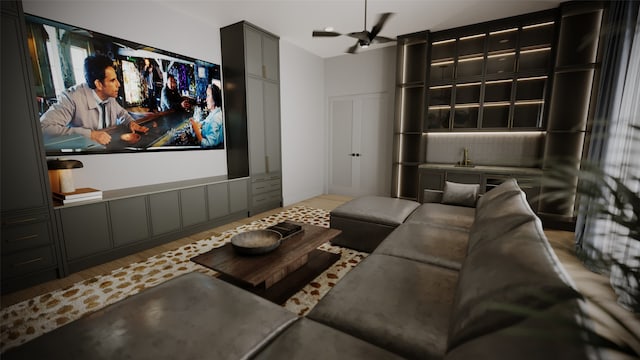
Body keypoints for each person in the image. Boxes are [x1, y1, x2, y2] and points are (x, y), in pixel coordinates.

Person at [40, 54, 148, 145]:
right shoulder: (72, 98)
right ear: (99, 84)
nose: (118, 84)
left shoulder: (109, 97)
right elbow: (43, 128)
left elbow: (122, 114)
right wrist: (90, 135)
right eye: (112, 80)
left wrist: (130, 123)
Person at [190, 83, 223, 148]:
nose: (206, 99)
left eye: (208, 96)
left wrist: (197, 132)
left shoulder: (215, 119)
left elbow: (209, 144)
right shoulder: (216, 112)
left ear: (214, 98)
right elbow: (207, 121)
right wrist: (200, 124)